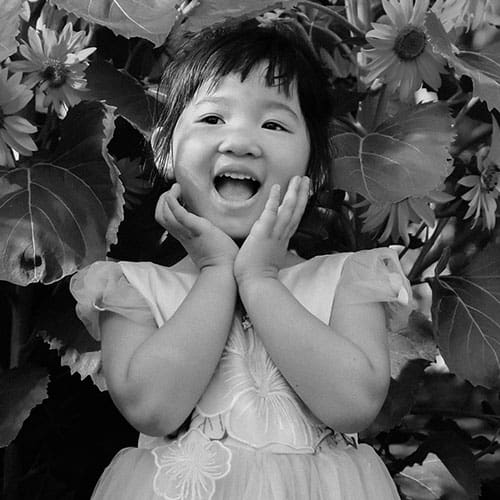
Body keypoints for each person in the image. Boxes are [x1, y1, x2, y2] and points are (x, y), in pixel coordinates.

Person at [70, 19, 411, 500]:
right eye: (212, 119)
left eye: (273, 124)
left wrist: (260, 279)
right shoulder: (132, 289)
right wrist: (215, 272)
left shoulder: (347, 280)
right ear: (165, 148)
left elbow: (353, 404)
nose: (240, 142)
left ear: (314, 165)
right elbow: (152, 409)